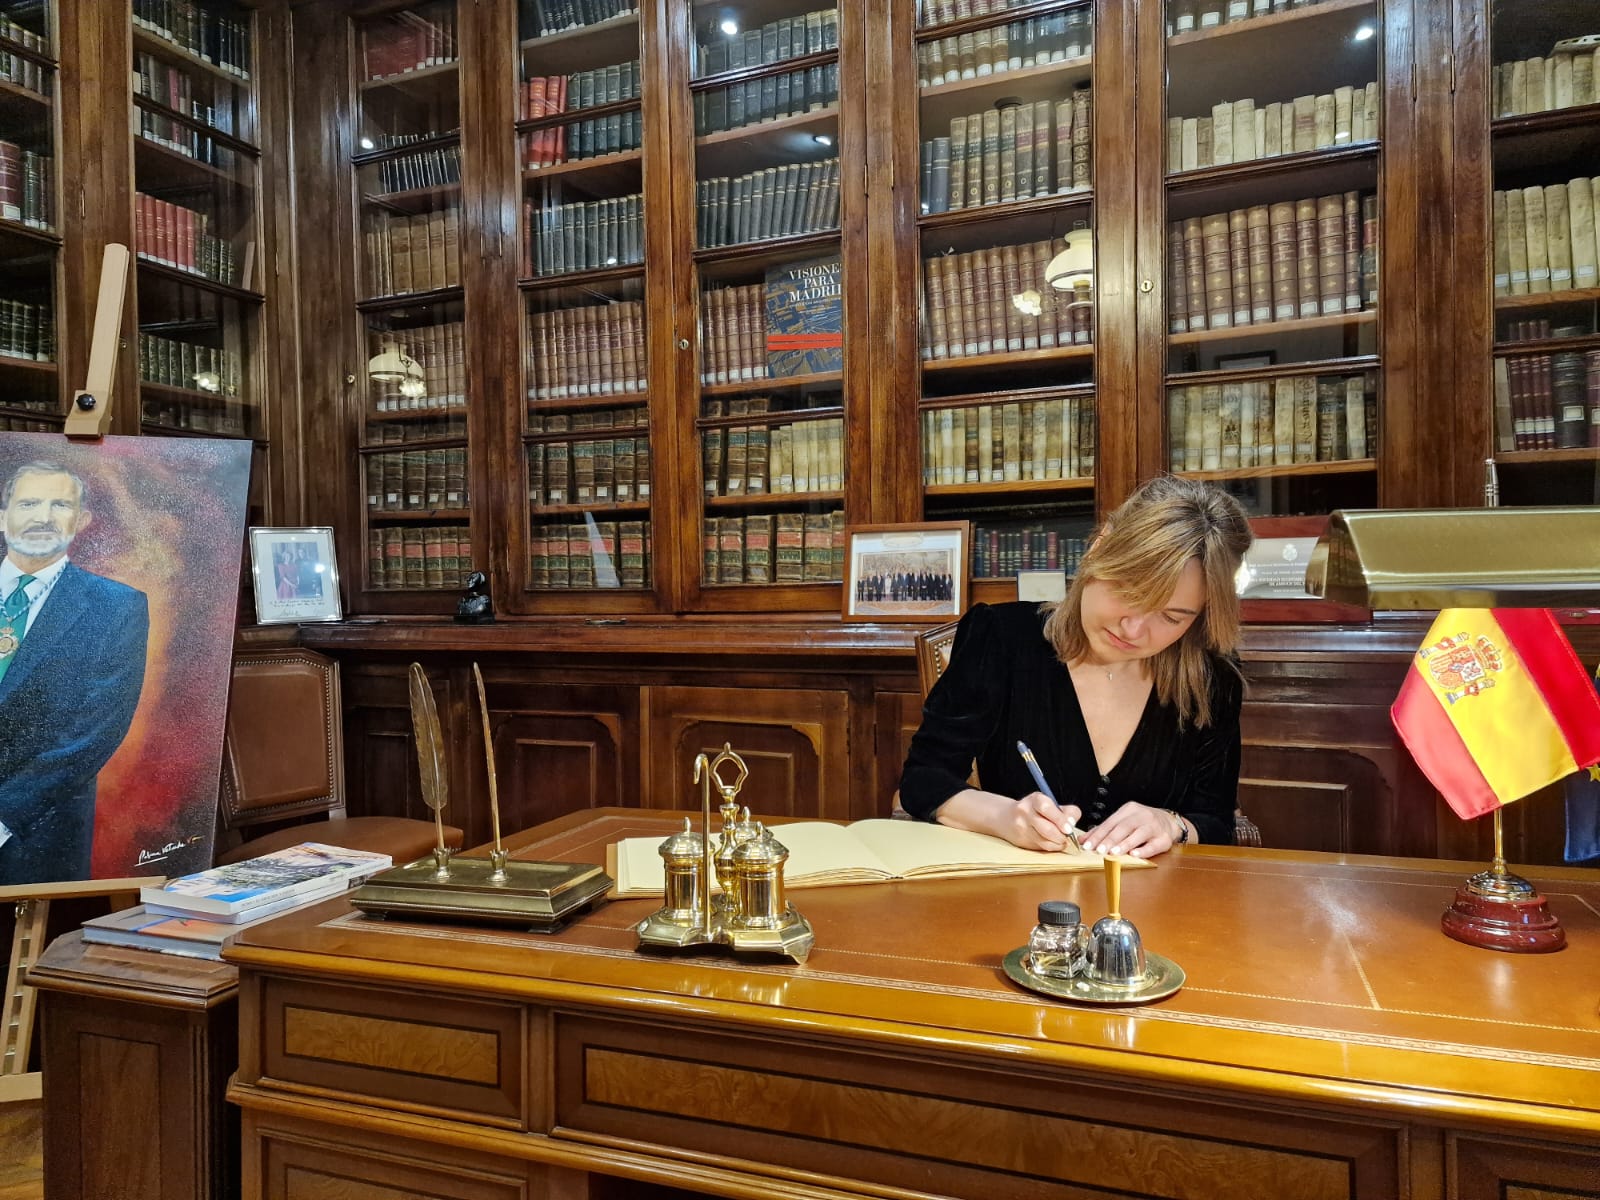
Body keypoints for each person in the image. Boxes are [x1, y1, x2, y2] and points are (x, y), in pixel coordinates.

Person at [898, 475, 1252, 858]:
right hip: (1017, 887)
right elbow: (924, 779)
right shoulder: (1001, 637)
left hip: (1152, 892)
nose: (1133, 630)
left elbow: (1216, 821)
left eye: (1171, 617)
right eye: (1128, 591)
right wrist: (1005, 817)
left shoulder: (1211, 678)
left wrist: (1172, 824)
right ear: (1099, 549)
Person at [0, 460, 149, 885]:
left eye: (60, 505)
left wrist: (6, 814)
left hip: (36, 833)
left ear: (81, 521)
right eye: (29, 503)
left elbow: (95, 732)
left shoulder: (116, 606)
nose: (43, 517)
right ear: (3, 516)